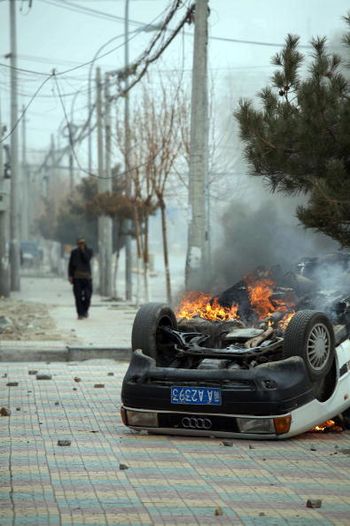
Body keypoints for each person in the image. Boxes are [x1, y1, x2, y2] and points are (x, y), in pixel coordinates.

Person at [68, 237, 93, 320]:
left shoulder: (89, 251)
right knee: (78, 297)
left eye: (83, 243)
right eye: (80, 243)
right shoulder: (74, 252)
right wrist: (70, 276)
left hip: (87, 278)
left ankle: (85, 311)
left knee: (87, 296)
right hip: (77, 278)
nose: (81, 245)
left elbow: (87, 259)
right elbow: (71, 265)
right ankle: (80, 313)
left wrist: (83, 251)